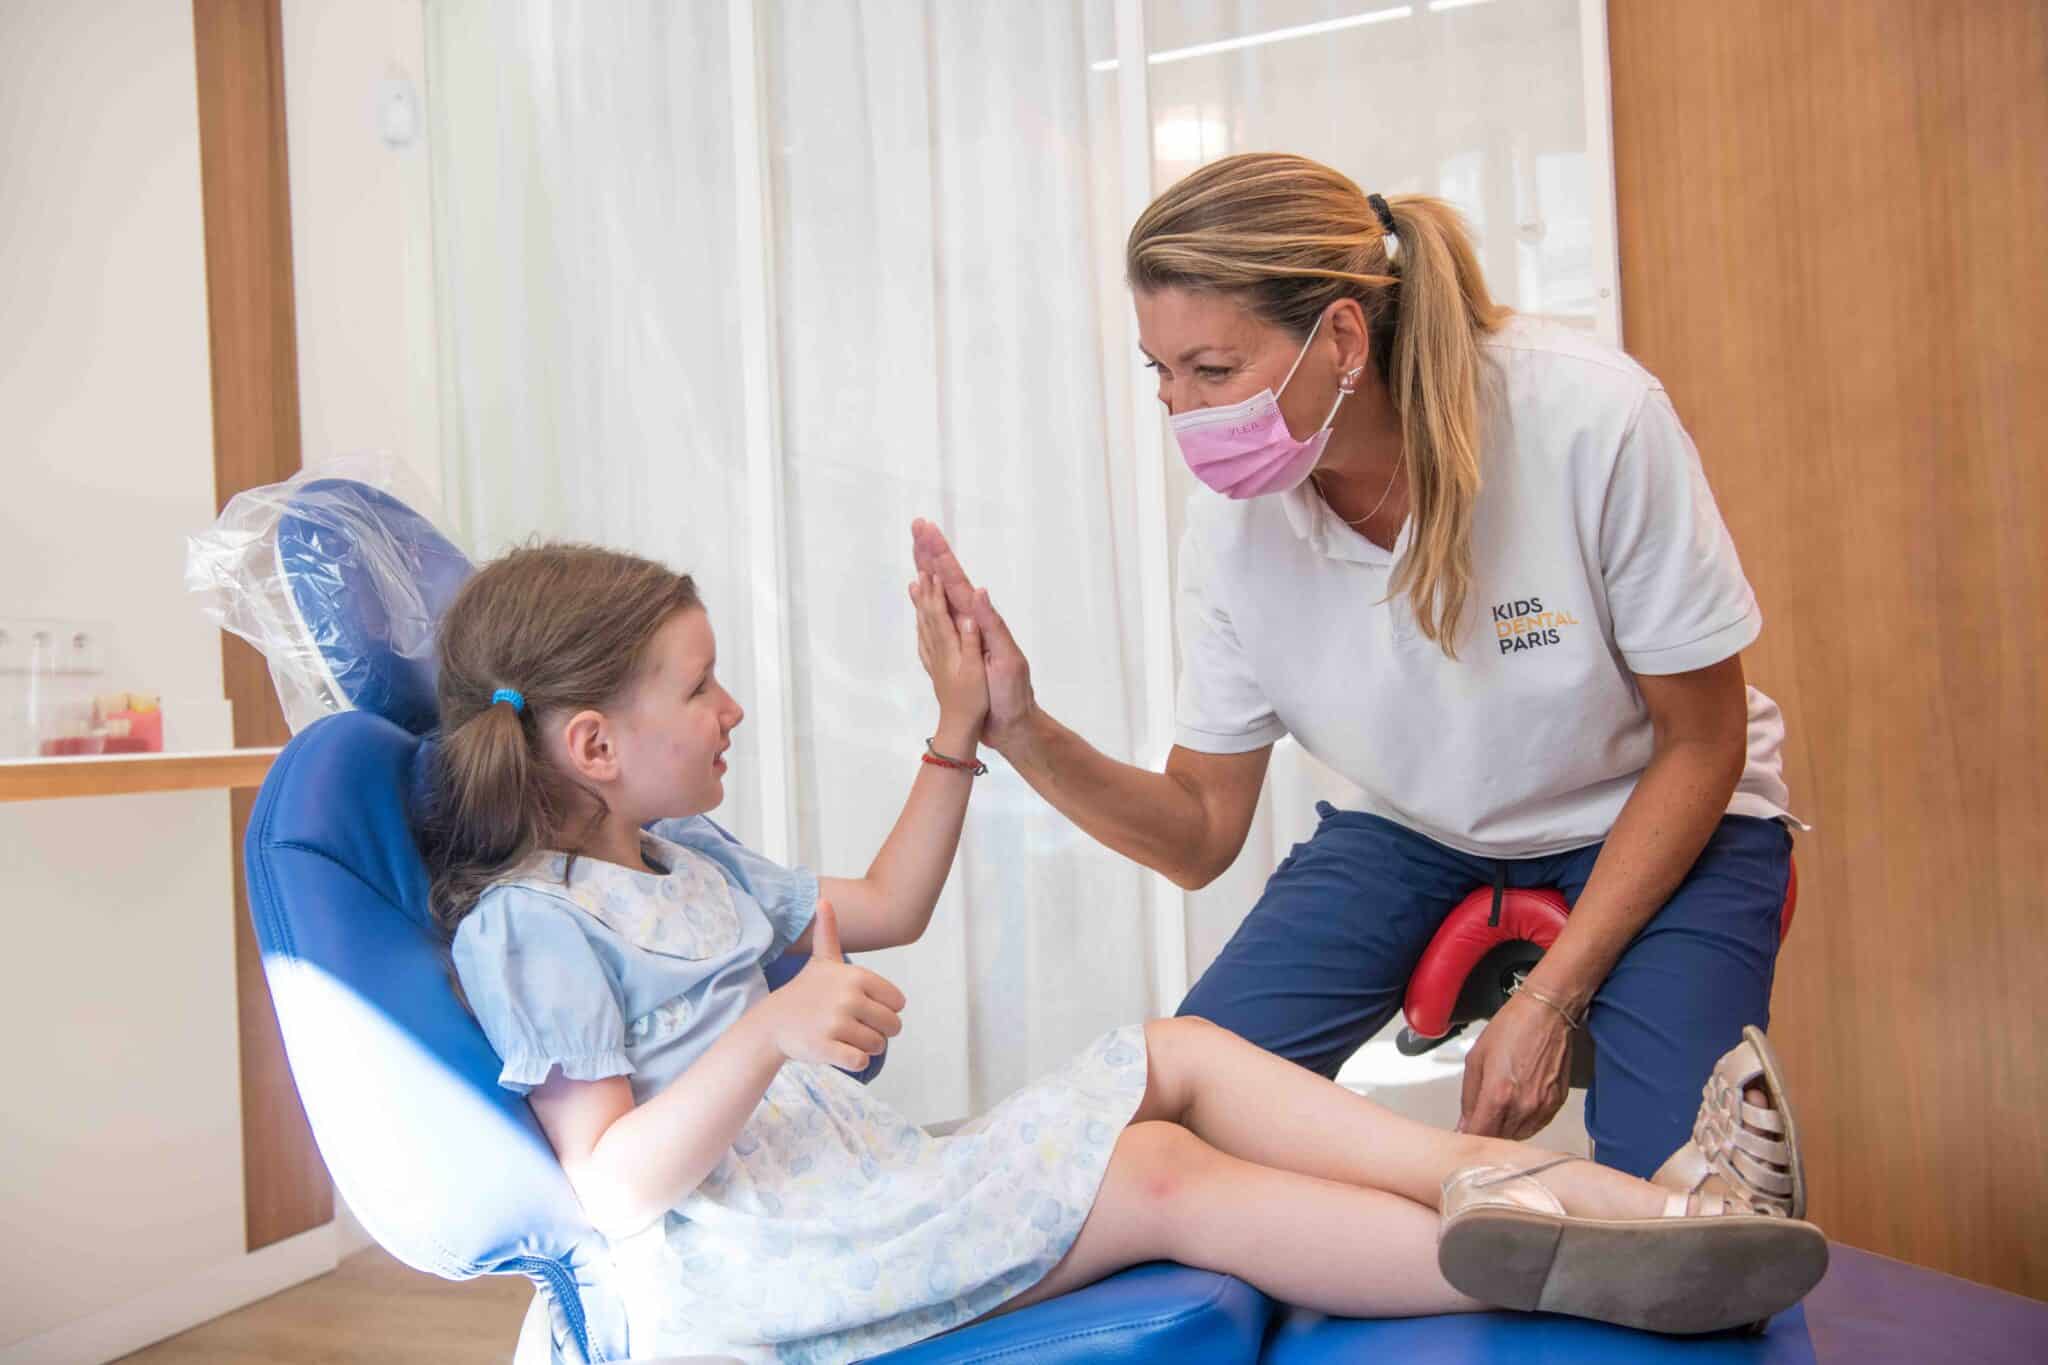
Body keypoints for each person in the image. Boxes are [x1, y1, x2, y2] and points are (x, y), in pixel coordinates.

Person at [416, 541, 1824, 1363]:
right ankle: (1536, 1253)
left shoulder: (692, 860)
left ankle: (1615, 1211)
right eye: (698, 682)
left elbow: (893, 899)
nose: (732, 707)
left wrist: (962, 718)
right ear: (594, 745)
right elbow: (608, 1190)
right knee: (1157, 1172)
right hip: (751, 1272)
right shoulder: (533, 928)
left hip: (849, 1194)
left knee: (1180, 1053)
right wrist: (770, 1031)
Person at [912, 151, 1801, 1181]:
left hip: (1655, 809)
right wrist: (1018, 724)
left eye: (1211, 370)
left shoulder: (1587, 419)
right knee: (1176, 1135)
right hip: (1415, 831)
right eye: (1159, 371)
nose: (1178, 409)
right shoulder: (1234, 532)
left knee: (1673, 1204)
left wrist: (1550, 1000)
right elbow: (1200, 830)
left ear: (1339, 336)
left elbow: (1701, 743)